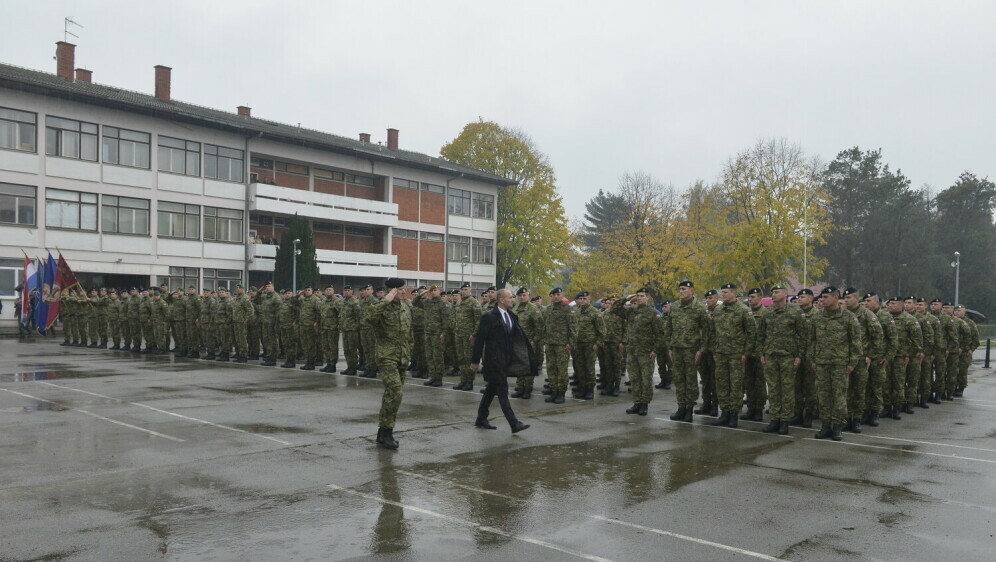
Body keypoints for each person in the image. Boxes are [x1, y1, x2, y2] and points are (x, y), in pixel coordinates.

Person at [471, 289, 533, 433]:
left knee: (491, 389)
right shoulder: (489, 317)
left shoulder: (511, 315)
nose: (513, 300)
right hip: (493, 360)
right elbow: (480, 340)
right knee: (503, 391)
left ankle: (481, 418)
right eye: (510, 297)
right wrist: (475, 361)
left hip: (507, 360)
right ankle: (514, 423)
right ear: (502, 300)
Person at [808, 287, 861, 441]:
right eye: (822, 297)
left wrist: (852, 363)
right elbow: (811, 340)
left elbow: (856, 343)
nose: (822, 300)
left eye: (825, 297)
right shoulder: (817, 317)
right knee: (823, 395)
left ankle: (837, 426)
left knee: (839, 397)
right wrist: (812, 359)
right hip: (822, 363)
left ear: (835, 297)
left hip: (840, 364)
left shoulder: (848, 317)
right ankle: (825, 425)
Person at [372, 278, 413, 450]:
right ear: (392, 291)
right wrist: (386, 300)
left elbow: (409, 332)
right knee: (396, 391)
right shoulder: (381, 307)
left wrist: (410, 351)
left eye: (404, 289)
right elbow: (368, 317)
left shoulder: (405, 306)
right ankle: (388, 431)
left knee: (391, 394)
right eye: (401, 290)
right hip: (386, 355)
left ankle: (382, 431)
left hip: (402, 356)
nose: (404, 292)